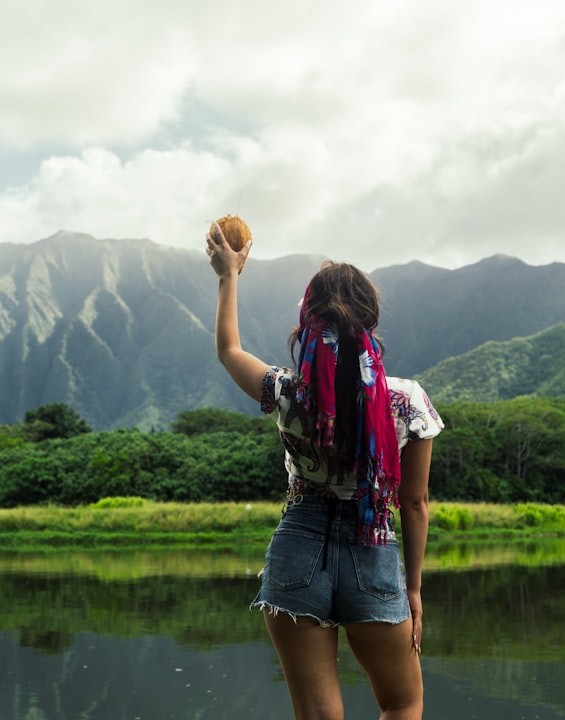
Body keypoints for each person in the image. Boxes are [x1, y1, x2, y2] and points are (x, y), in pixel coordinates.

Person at [205, 223, 443, 720]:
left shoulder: (287, 393)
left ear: (307, 322)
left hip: (298, 550)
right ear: (371, 320)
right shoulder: (409, 401)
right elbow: (414, 504)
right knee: (402, 704)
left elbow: (229, 350)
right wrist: (414, 590)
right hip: (374, 550)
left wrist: (230, 276)